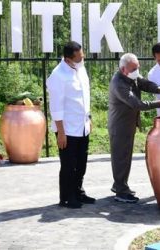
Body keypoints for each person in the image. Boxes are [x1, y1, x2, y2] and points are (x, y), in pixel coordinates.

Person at [108, 53, 160, 203]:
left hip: (128, 123)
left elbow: (145, 83)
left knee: (125, 157)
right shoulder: (118, 83)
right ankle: (121, 191)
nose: (137, 71)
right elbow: (137, 104)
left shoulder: (131, 76)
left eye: (137, 67)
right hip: (120, 126)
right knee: (121, 158)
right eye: (134, 69)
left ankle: (119, 184)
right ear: (123, 69)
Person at [47, 41, 95, 209]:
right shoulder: (58, 75)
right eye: (79, 57)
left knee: (82, 162)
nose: (83, 59)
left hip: (82, 125)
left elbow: (84, 97)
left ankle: (78, 192)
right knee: (68, 165)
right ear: (68, 59)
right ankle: (67, 197)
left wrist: (89, 118)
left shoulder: (81, 69)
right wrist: (61, 132)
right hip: (67, 129)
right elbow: (56, 107)